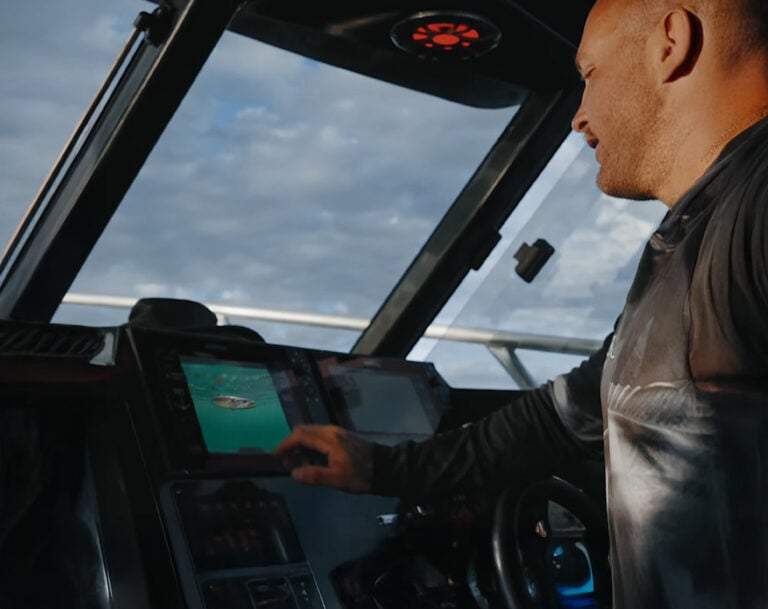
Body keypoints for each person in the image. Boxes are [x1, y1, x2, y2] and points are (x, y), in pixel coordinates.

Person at [277, 1, 768, 607]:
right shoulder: (690, 239)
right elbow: (560, 415)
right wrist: (383, 471)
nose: (578, 119)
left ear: (670, 42)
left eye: (589, 75)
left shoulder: (754, 211)